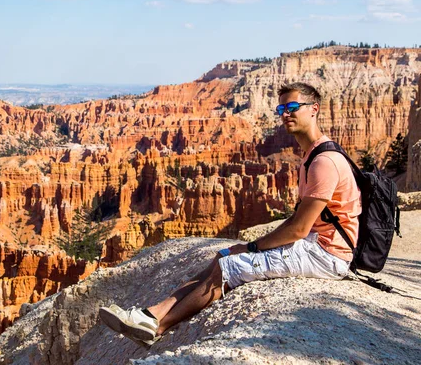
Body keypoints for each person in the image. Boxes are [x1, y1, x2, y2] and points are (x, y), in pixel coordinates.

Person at [99, 82, 362, 348]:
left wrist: (251, 246)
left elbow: (299, 228)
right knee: (222, 255)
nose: (285, 114)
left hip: (327, 255)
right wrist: (243, 248)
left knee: (229, 267)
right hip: (314, 245)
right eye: (281, 108)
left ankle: (156, 330)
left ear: (314, 109)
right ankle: (153, 314)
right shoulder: (312, 155)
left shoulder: (324, 162)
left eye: (293, 107)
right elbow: (298, 223)